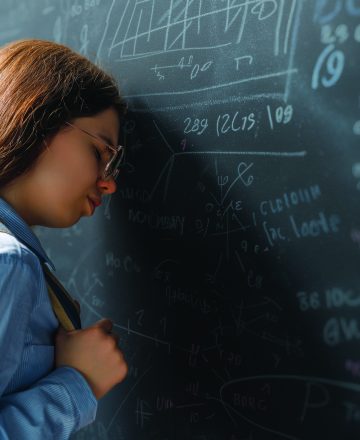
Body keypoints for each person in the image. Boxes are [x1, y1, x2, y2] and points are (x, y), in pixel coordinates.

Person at [0, 39, 128, 438]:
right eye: (99, 151)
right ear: (37, 118)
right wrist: (78, 382)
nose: (109, 184)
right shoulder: (10, 262)